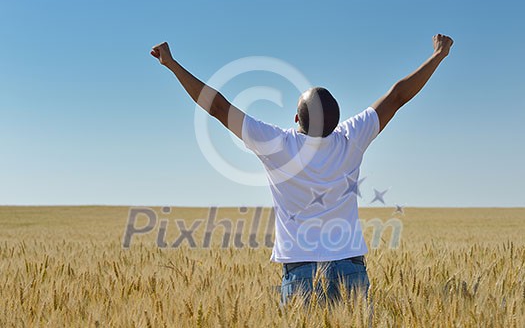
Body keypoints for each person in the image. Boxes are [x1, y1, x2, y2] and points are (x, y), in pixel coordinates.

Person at [150, 34, 454, 306]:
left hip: (300, 270)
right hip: (349, 265)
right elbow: (398, 96)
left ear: (297, 118)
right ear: (337, 120)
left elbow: (217, 107)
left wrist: (172, 64)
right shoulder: (351, 138)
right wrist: (438, 55)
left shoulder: (276, 144)